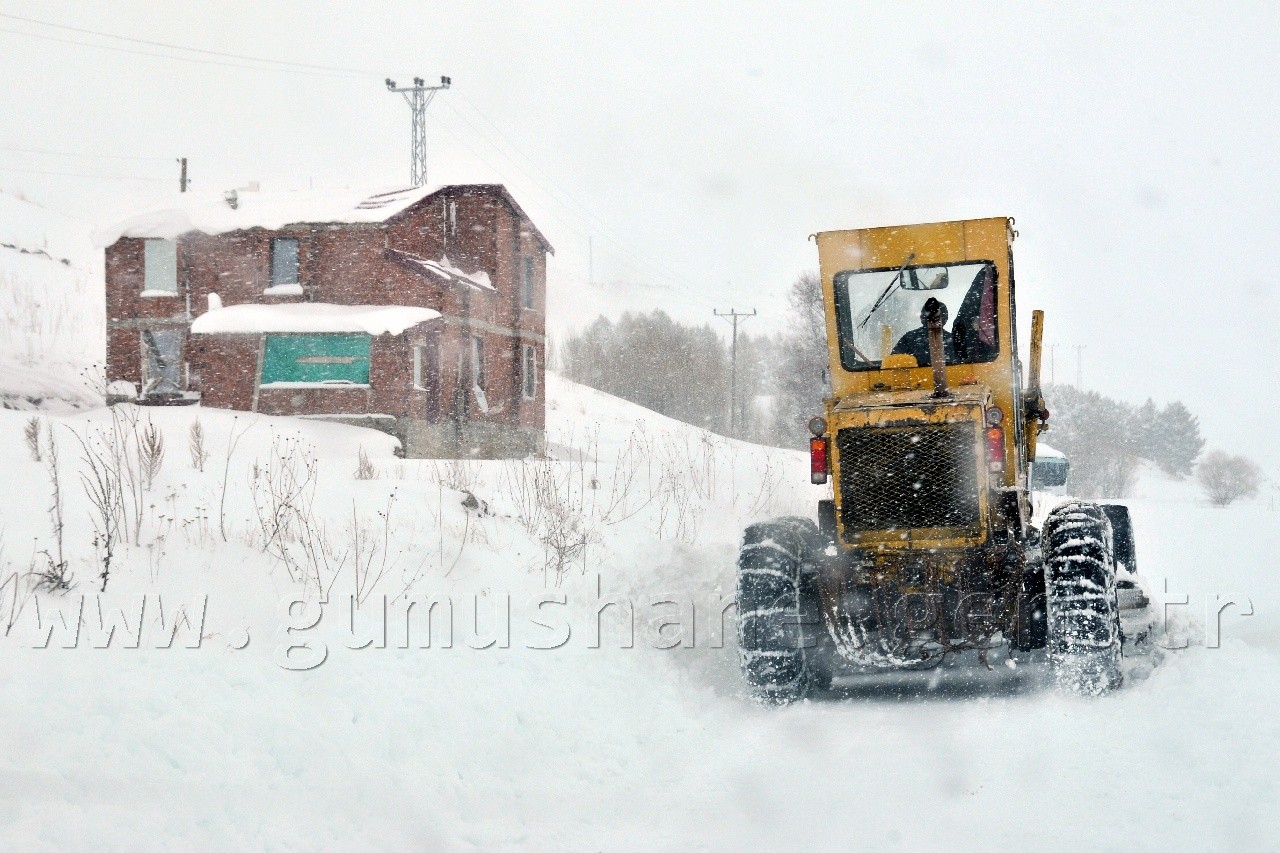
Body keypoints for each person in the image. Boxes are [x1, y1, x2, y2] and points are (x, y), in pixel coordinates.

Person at [891, 297, 956, 367]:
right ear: (946, 319)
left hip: (915, 377)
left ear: (922, 318)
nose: (933, 321)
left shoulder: (910, 338)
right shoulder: (954, 341)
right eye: (932, 318)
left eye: (937, 318)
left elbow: (892, 364)